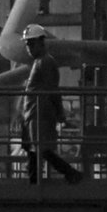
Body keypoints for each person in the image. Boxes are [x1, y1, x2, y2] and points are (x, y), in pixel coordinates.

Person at [20, 23, 84, 185]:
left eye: (31, 43)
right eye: (27, 44)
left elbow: (52, 90)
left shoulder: (45, 62)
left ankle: (70, 173)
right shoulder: (41, 62)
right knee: (33, 149)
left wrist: (60, 113)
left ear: (41, 42)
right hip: (33, 113)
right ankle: (35, 181)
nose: (28, 48)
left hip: (39, 113)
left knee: (40, 149)